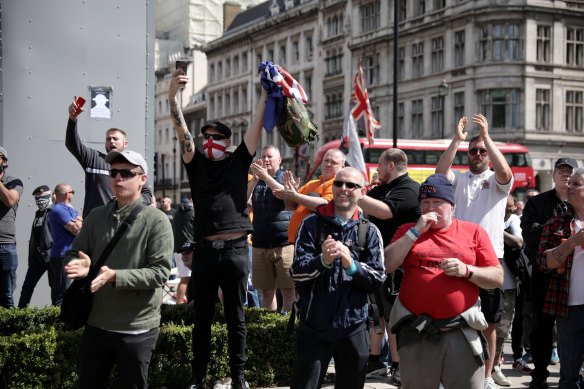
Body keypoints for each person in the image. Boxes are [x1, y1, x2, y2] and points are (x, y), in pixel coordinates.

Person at [169, 69, 266, 389]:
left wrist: (266, 95)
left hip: (238, 251)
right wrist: (172, 99)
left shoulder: (239, 160)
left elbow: (254, 127)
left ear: (227, 142)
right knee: (202, 320)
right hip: (206, 253)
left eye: (216, 137)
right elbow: (181, 130)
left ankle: (239, 379)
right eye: (205, 137)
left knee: (237, 319)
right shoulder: (194, 163)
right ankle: (198, 378)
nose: (209, 142)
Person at [64, 149, 173, 389]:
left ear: (142, 179)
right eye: (113, 173)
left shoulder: (157, 220)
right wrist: (76, 265)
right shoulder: (95, 216)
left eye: (126, 173)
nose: (118, 178)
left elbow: (160, 272)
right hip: (96, 325)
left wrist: (116, 276)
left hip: (136, 328)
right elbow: (74, 253)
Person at [386, 174, 504, 389]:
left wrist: (467, 271)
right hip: (417, 331)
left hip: (460, 331)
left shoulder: (474, 232)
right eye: (426, 203)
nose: (431, 208)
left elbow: (496, 278)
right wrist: (415, 232)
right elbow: (387, 265)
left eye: (438, 203)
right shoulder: (407, 231)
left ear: (452, 206)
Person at [289, 167, 385, 389]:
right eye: (339, 184)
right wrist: (322, 261)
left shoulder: (369, 231)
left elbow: (378, 278)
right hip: (314, 326)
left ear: (362, 192)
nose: (343, 189)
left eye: (351, 185)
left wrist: (352, 265)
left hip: (354, 327)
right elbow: (297, 272)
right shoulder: (311, 224)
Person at [436, 114, 513, 389]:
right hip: (457, 257)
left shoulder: (496, 181)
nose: (478, 154)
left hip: (489, 260)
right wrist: (457, 140)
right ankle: (449, 376)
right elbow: (439, 174)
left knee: (489, 323)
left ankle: (488, 376)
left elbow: (505, 173)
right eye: (474, 150)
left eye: (482, 151)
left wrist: (487, 137)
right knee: (452, 317)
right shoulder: (458, 179)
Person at [357, 149, 421, 385]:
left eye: (380, 166)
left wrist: (355, 194)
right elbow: (365, 214)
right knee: (376, 315)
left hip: (399, 264)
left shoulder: (409, 189)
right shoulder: (379, 190)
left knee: (394, 317)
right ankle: (374, 362)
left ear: (391, 165)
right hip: (375, 262)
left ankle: (398, 366)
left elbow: (385, 212)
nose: (377, 170)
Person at [520, 157, 578, 389]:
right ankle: (540, 373)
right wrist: (557, 234)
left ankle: (572, 373)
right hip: (544, 271)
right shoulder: (538, 203)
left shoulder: (580, 204)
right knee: (541, 326)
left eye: (569, 172)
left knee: (574, 325)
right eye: (561, 171)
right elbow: (529, 233)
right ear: (552, 175)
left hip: (574, 274)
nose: (565, 176)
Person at [536, 167, 584, 389]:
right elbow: (544, 263)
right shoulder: (557, 224)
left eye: (576, 184)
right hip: (570, 308)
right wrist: (571, 243)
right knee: (569, 376)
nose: (569, 187)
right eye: (569, 183)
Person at [66, 98, 153, 217]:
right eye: (108, 139)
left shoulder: (133, 165)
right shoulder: (94, 158)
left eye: (116, 139)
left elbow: (148, 196)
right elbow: (72, 144)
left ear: (125, 144)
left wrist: (127, 200)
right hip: (94, 226)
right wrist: (72, 118)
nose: (112, 141)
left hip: (120, 225)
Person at [247, 145, 295, 312]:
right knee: (267, 293)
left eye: (270, 157)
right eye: (263, 157)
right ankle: (271, 329)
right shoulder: (257, 180)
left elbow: (285, 195)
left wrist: (265, 177)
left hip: (284, 244)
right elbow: (242, 201)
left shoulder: (286, 177)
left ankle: (288, 328)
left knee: (288, 291)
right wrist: (254, 179)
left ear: (279, 160)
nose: (266, 160)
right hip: (260, 243)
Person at [273, 148, 345, 245]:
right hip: (295, 241)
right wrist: (291, 191)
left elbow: (325, 205)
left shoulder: (337, 185)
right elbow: (290, 206)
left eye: (333, 162)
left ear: (342, 167)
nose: (328, 164)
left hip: (312, 244)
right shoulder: (312, 183)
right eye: (326, 160)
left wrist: (295, 196)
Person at [491, 195, 524, 386]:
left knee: (502, 331)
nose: (508, 214)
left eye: (511, 210)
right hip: (485, 283)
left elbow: (517, 242)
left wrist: (496, 229)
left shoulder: (512, 221)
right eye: (505, 210)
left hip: (508, 285)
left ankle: (495, 367)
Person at [18, 185, 53, 307]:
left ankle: (57, 318)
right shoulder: (38, 214)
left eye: (42, 197)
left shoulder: (53, 212)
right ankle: (21, 315)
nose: (39, 201)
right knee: (27, 287)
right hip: (36, 257)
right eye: (37, 198)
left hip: (50, 256)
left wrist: (49, 248)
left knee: (56, 288)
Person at [48, 184, 82, 306]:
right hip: (61, 257)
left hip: (68, 255)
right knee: (61, 293)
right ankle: (57, 322)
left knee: (67, 291)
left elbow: (81, 221)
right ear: (67, 194)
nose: (73, 194)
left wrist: (79, 222)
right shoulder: (58, 210)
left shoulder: (69, 209)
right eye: (72, 192)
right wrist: (79, 222)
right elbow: (75, 230)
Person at [0, 146, 23, 308]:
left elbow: (9, 200)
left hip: (5, 246)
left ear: (4, 161)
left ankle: (10, 332)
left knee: (6, 294)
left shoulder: (14, 182)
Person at [174, 198, 194, 305]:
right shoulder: (193, 212)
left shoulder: (178, 212)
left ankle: (186, 302)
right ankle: (179, 305)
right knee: (185, 279)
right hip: (188, 248)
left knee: (186, 278)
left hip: (178, 248)